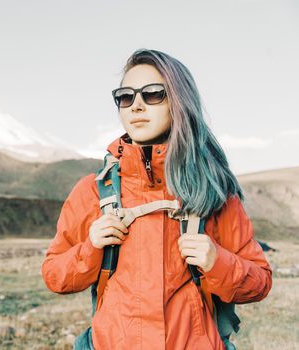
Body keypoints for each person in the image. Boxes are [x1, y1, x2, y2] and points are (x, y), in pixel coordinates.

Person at [41, 48, 273, 349]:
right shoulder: (92, 191)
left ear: (179, 101)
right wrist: (91, 248)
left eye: (152, 94)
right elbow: (54, 276)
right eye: (126, 96)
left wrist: (218, 262)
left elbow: (260, 282)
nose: (136, 105)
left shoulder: (214, 191)